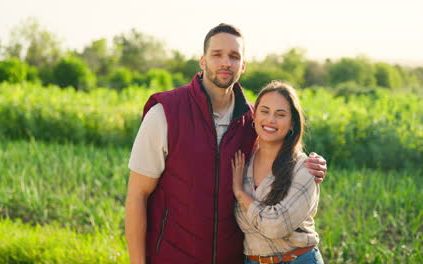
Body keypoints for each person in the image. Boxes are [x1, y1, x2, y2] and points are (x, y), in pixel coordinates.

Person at [125, 23, 327, 264]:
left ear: (242, 66)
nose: (225, 63)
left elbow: (282, 152)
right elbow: (137, 195)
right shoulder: (165, 113)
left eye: (234, 56)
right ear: (202, 61)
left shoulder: (253, 121)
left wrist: (313, 162)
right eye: (217, 54)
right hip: (172, 256)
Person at [231, 81, 324, 264]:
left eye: (280, 114)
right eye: (264, 111)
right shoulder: (243, 162)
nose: (270, 120)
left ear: (292, 124)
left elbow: (275, 227)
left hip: (297, 260)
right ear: (254, 116)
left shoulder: (304, 168)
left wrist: (241, 194)